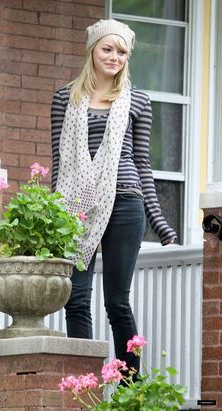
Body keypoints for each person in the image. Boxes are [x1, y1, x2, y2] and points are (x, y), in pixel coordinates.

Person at [51, 19, 177, 374]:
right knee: (75, 298)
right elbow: (58, 163)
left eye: (121, 51)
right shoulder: (65, 97)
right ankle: (85, 384)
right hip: (76, 205)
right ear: (92, 50)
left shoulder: (137, 100)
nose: (115, 57)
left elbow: (142, 163)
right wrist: (52, 219)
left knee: (117, 302)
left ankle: (128, 386)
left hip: (125, 201)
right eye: (108, 48)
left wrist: (159, 221)